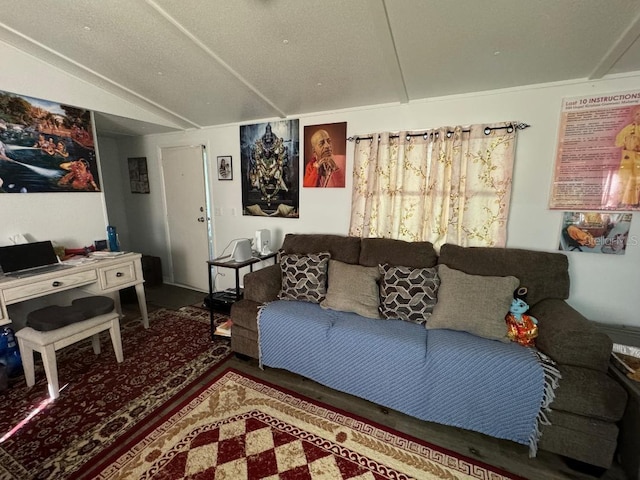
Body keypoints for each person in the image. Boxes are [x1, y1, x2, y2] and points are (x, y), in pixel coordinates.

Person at [614, 106, 640, 206]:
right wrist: (626, 139)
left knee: (637, 179)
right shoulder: (628, 128)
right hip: (627, 158)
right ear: (633, 116)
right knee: (624, 178)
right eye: (637, 114)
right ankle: (622, 201)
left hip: (638, 158)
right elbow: (618, 142)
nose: (639, 116)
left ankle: (636, 202)